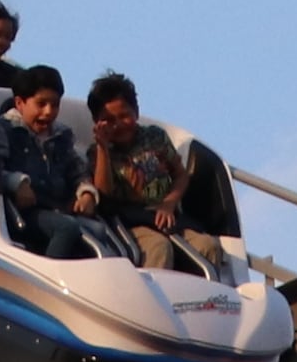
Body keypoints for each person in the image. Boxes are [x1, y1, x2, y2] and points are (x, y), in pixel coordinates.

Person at [76, 73, 214, 271]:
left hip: (166, 214)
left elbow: (180, 175)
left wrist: (169, 203)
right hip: (129, 222)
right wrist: (103, 148)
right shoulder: (97, 153)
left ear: (136, 112)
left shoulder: (155, 137)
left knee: (207, 246)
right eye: (109, 120)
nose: (118, 125)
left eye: (124, 116)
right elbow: (103, 193)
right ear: (97, 122)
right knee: (158, 247)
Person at [0, 65, 92, 253]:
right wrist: (17, 183)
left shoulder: (61, 136)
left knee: (98, 232)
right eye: (41, 104)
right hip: (22, 210)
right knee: (66, 228)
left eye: (54, 105)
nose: (48, 112)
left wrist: (86, 192)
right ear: (20, 103)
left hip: (58, 207)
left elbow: (77, 170)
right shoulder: (5, 129)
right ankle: (47, 278)